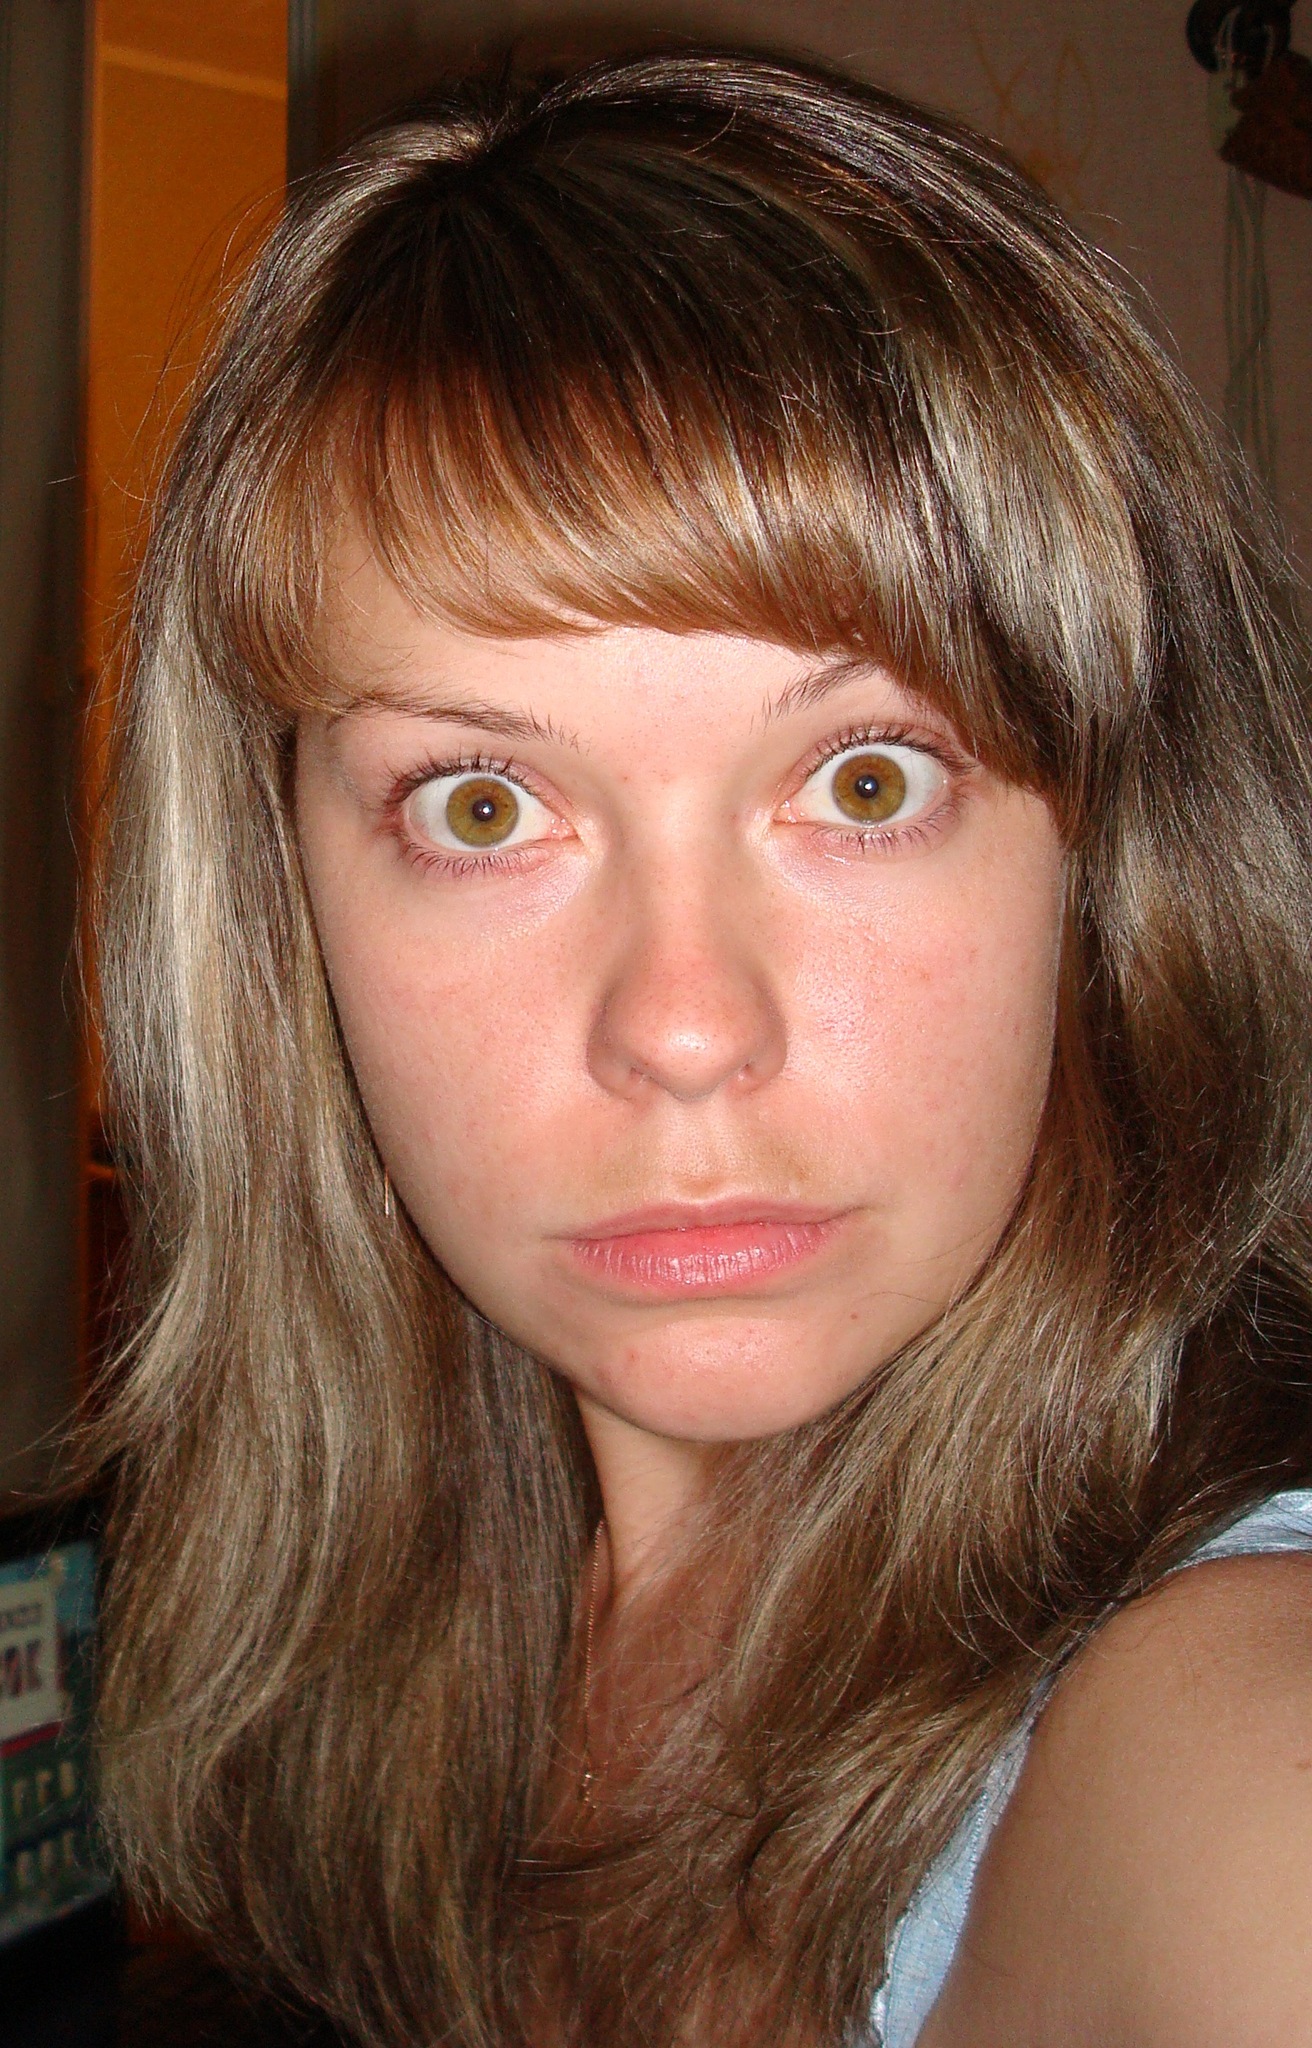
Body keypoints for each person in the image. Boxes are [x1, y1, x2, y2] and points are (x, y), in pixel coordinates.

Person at [89, 48, 1312, 2048]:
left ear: (1109, 856)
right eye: (483, 805)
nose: (679, 1027)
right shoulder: (444, 1637)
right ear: (278, 904)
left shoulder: (1214, 1755)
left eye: (863, 780)